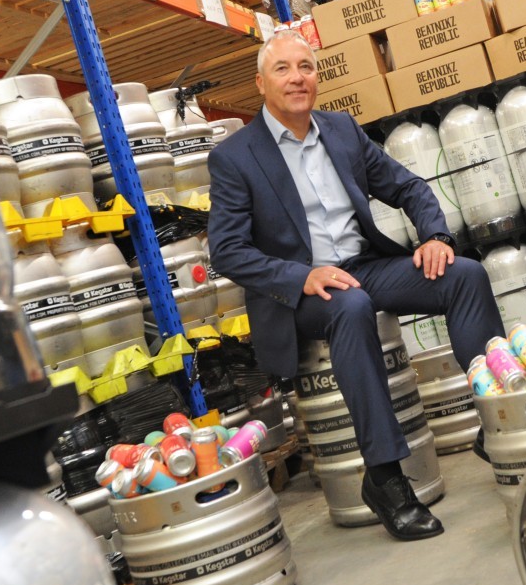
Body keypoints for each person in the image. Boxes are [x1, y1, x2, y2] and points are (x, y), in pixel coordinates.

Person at [207, 30, 504, 541]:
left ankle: (496, 417)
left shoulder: (341, 130)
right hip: (302, 292)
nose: (297, 77)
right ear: (260, 82)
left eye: (306, 66)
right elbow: (228, 250)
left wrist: (434, 234)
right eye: (283, 69)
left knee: (464, 275)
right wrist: (303, 275)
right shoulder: (235, 157)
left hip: (363, 265)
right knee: (351, 306)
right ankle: (386, 478)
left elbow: (407, 186)